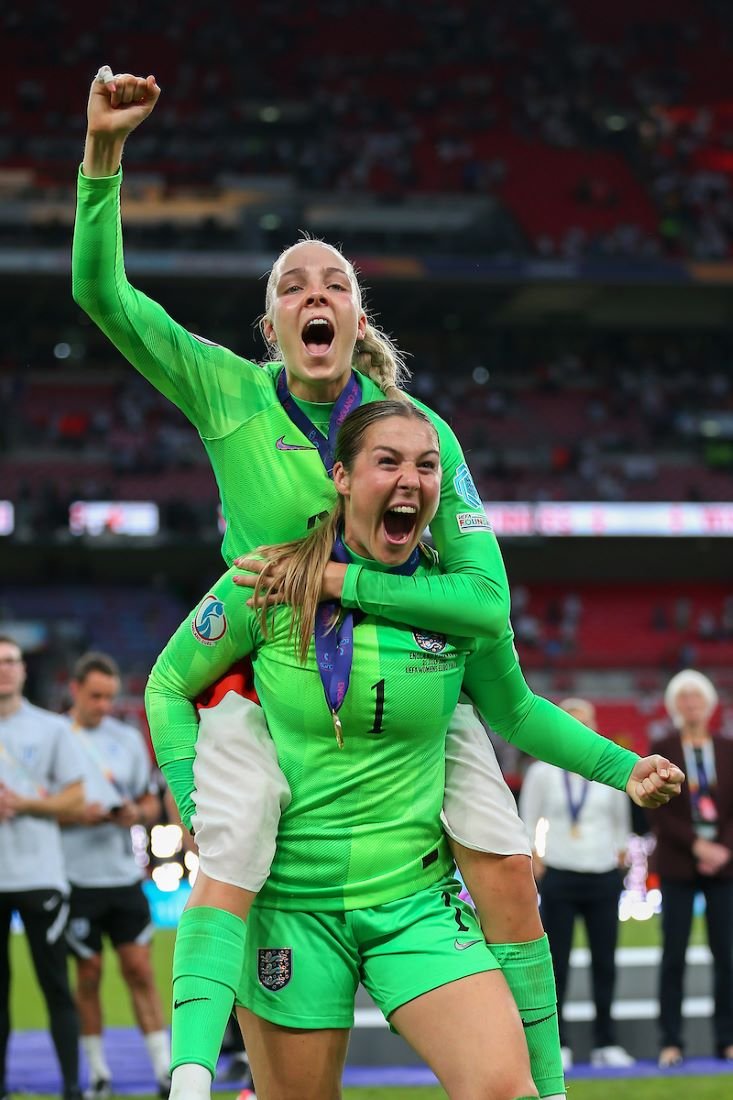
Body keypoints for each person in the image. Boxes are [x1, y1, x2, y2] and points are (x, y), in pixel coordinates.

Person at [72, 66, 683, 1100]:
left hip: (409, 667)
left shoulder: (417, 435)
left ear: (358, 319)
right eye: (293, 286)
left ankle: (542, 1080)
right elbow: (102, 295)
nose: (316, 295)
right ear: (272, 326)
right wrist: (102, 159)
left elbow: (487, 617)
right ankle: (186, 1064)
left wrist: (343, 585)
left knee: (502, 865)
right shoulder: (228, 389)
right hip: (271, 682)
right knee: (237, 843)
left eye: (336, 283)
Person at [146, 402, 683, 1100]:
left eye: (426, 466)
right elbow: (166, 684)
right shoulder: (270, 583)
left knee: (503, 1091)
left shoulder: (453, 605)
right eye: (387, 462)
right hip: (289, 907)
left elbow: (516, 711)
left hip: (415, 904)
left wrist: (625, 769)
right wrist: (197, 802)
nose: (411, 479)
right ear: (340, 476)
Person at [59, 652, 170, 1099]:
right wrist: (73, 814)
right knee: (88, 974)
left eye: (110, 696)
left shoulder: (127, 738)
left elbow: (151, 803)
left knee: (140, 969)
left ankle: (165, 1071)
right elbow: (38, 804)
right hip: (75, 878)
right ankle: (99, 1073)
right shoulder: (56, 738)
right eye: (96, 696)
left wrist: (133, 814)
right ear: (75, 691)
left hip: (123, 876)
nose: (105, 705)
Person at [519, 698, 636, 1070]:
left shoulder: (606, 769)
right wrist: (534, 858)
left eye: (585, 721)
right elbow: (527, 816)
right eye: (572, 721)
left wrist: (620, 853)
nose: (579, 727)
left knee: (605, 962)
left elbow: (621, 819)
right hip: (560, 874)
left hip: (603, 874)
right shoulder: (542, 771)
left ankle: (606, 1042)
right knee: (557, 964)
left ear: (595, 725)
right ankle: (560, 1043)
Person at [0, 634, 85, 1100]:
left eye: (11, 661)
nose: (5, 669)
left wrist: (28, 805)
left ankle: (72, 1087)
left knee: (56, 987)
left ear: (24, 670)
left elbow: (77, 796)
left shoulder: (51, 729)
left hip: (40, 877)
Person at [651, 669, 733, 1069]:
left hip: (724, 864)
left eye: (696, 696)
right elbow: (659, 811)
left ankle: (727, 1039)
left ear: (709, 702)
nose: (691, 704)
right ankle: (670, 1041)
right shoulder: (663, 747)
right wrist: (697, 843)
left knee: (728, 954)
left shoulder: (727, 747)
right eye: (682, 697)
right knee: (674, 955)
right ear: (673, 705)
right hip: (679, 861)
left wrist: (721, 849)